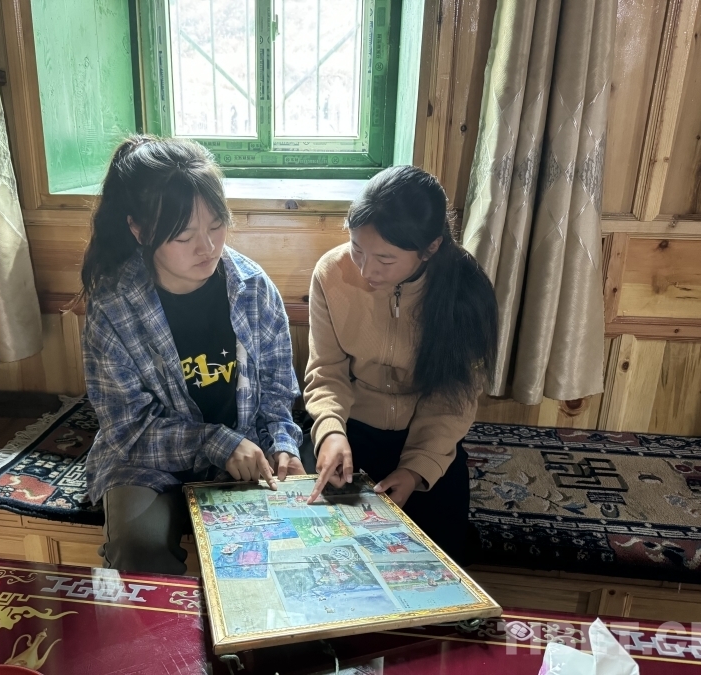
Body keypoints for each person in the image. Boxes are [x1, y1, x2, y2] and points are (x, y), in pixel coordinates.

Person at [80, 135, 304, 574]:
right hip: (147, 464)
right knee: (138, 547)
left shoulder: (253, 289)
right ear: (140, 231)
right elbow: (128, 431)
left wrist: (283, 446)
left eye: (216, 226)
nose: (208, 247)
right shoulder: (114, 305)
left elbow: (279, 395)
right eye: (184, 236)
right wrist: (214, 442)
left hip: (246, 447)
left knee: (292, 534)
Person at [304, 165, 498, 562]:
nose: (366, 270)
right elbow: (327, 371)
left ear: (430, 248)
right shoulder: (331, 273)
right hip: (352, 432)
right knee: (332, 556)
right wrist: (330, 432)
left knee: (434, 564)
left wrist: (415, 469)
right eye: (357, 248)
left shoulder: (465, 289)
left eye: (385, 259)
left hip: (429, 438)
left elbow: (453, 399)